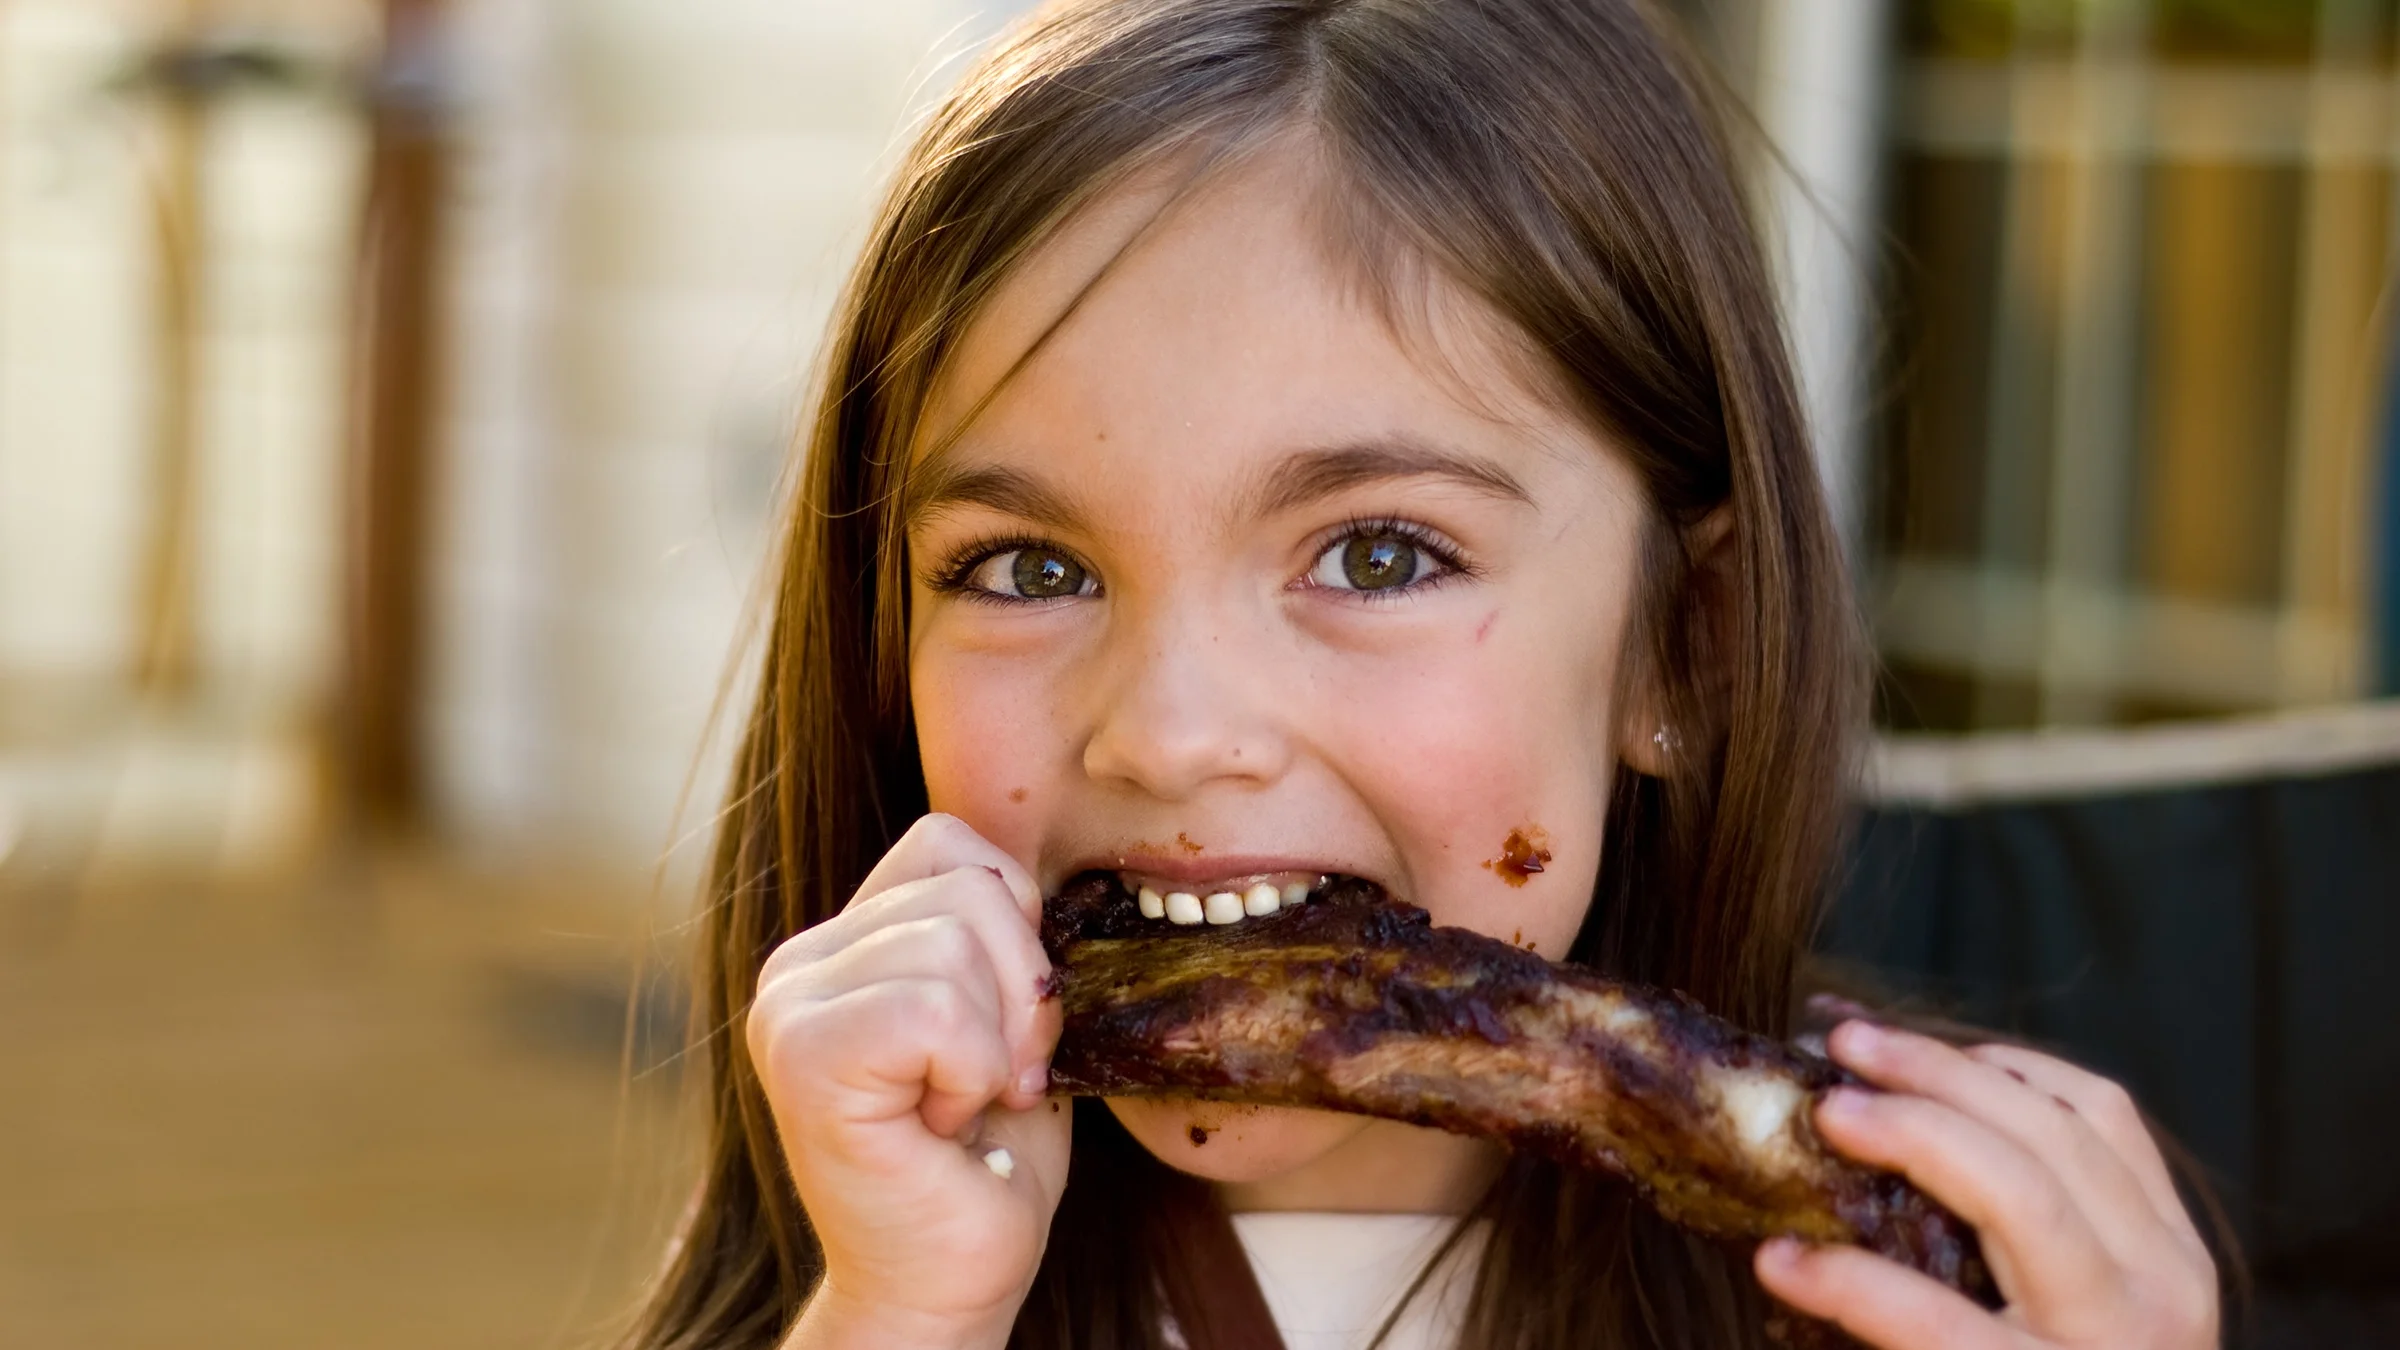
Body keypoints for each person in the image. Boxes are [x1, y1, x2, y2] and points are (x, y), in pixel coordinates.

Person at [622, 1, 2220, 1346]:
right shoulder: (872, 1267)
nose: (1175, 733)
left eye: (1379, 553)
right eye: (1030, 569)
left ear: (1687, 644)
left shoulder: (1960, 1294)